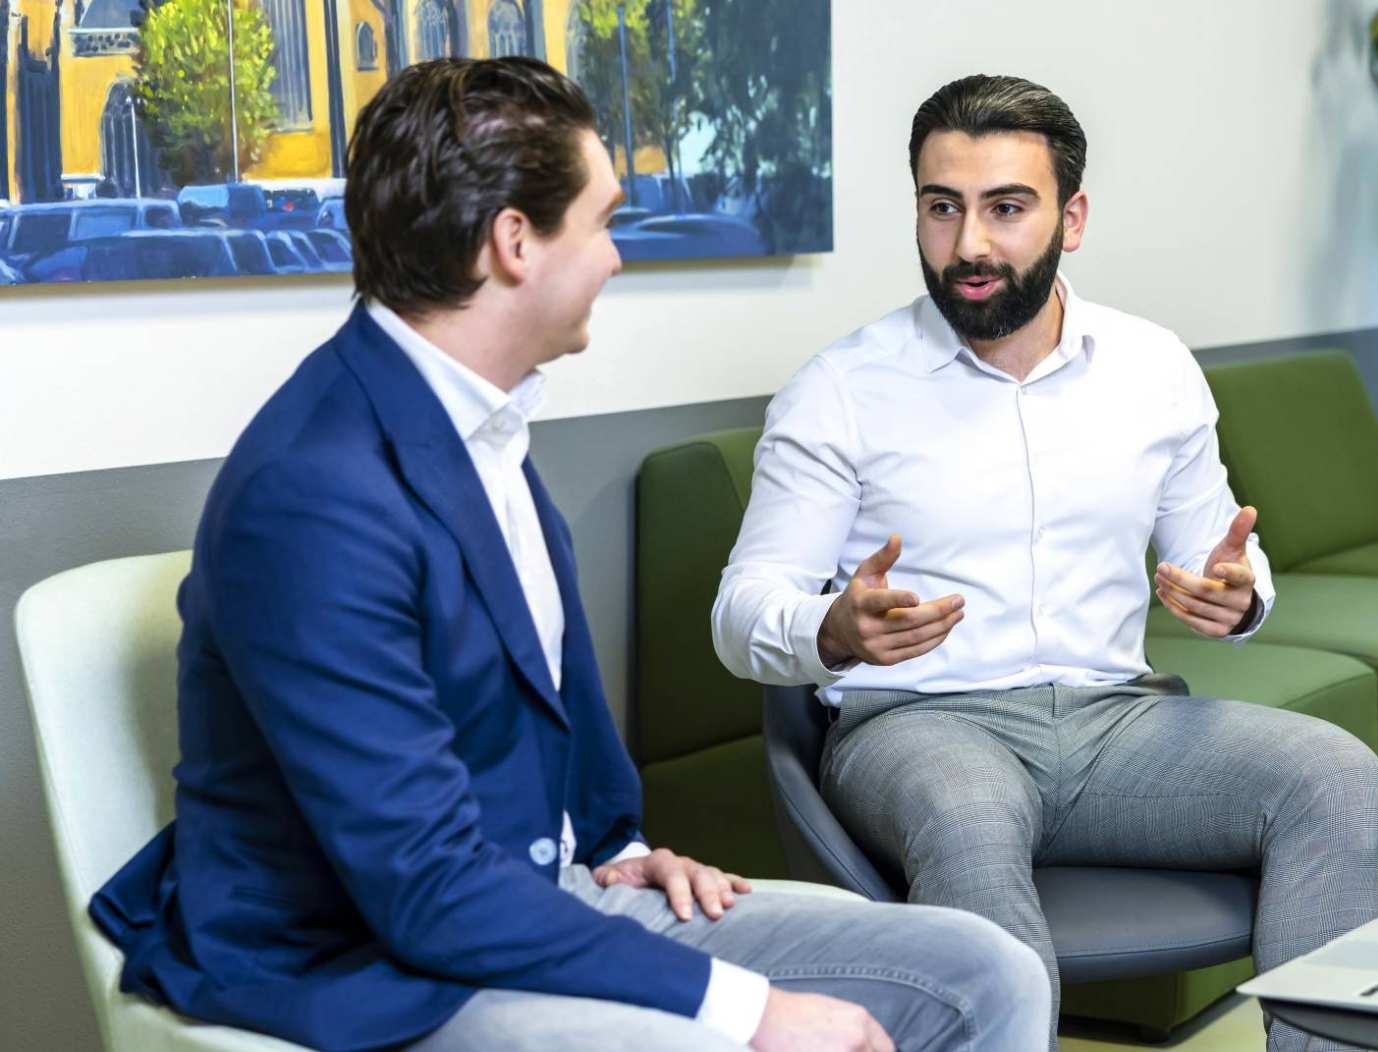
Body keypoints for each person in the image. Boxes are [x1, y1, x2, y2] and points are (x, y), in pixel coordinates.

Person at [88, 58, 1046, 1052]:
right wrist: (750, 1006)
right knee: (715, 1041)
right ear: (513, 243)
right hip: (370, 962)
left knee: (987, 972)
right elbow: (423, 886)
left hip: (534, 900)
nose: (613, 258)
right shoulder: (315, 492)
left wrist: (618, 848)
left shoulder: (479, 423)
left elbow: (537, 721)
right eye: (600, 222)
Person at [712, 73, 1378, 1051]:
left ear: (1070, 218)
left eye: (1005, 207)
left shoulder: (1152, 368)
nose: (970, 242)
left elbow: (1228, 561)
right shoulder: (841, 390)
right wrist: (829, 627)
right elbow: (740, 610)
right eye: (941, 207)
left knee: (1332, 772)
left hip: (1118, 721)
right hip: (922, 724)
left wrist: (1236, 598)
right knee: (966, 812)